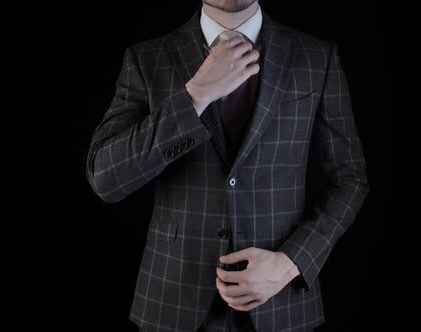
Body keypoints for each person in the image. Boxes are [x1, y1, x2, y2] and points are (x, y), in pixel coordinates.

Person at [85, 0, 369, 331]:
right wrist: (194, 96)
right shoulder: (147, 59)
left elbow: (350, 180)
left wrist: (291, 262)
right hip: (173, 307)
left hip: (282, 305)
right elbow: (105, 178)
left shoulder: (316, 57)